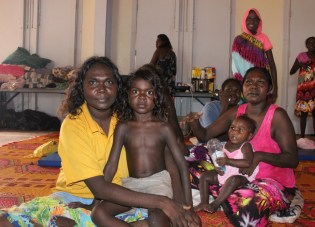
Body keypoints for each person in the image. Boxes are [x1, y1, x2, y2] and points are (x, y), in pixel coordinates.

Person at [0, 57, 200, 227]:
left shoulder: (126, 120)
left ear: (118, 86)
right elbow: (100, 187)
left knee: (156, 220)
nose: (102, 89)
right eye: (93, 82)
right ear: (82, 87)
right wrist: (163, 202)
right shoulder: (74, 124)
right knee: (13, 219)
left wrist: (180, 204)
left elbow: (171, 162)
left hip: (132, 195)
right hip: (78, 197)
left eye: (108, 82)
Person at [181, 67, 300, 226]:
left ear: (269, 88)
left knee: (246, 211)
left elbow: (292, 159)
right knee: (185, 165)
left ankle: (227, 197)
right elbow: (204, 136)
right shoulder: (238, 111)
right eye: (249, 82)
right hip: (232, 173)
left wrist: (259, 156)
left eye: (260, 83)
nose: (253, 87)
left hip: (268, 181)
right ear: (243, 87)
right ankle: (226, 195)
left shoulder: (278, 116)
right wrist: (193, 121)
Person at [88, 65, 194, 226]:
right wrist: (94, 202)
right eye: (136, 91)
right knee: (98, 214)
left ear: (156, 97)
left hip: (159, 184)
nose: (142, 97)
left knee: (156, 218)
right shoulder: (123, 127)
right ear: (127, 95)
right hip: (131, 186)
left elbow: (182, 166)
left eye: (149, 92)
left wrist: (188, 206)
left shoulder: (163, 128)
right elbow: (111, 166)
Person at [194, 115, 258, 214]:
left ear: (249, 136)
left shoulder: (246, 146)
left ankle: (216, 203)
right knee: (204, 176)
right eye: (232, 128)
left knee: (233, 180)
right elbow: (220, 161)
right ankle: (204, 201)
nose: (234, 132)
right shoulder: (225, 145)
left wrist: (228, 161)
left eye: (240, 130)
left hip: (241, 176)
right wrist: (218, 167)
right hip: (225, 173)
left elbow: (248, 162)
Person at [231, 8, 278, 103]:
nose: (252, 21)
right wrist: (240, 82)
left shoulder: (263, 38)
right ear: (245, 21)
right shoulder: (238, 40)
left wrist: (275, 87)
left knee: (259, 111)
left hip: (260, 82)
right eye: (249, 18)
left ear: (259, 22)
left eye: (256, 19)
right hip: (243, 83)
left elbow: (271, 63)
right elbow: (234, 64)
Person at [290, 36, 315, 146]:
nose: (311, 44)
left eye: (314, 42)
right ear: (306, 45)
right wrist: (300, 65)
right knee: (304, 114)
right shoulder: (301, 56)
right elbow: (292, 71)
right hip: (304, 90)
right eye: (309, 42)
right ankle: (301, 138)